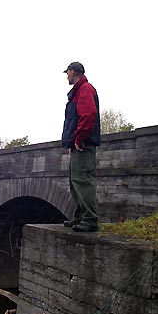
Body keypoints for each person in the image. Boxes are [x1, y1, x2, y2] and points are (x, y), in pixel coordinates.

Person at [61, 61, 100, 232]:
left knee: (83, 180)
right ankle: (80, 216)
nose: (66, 76)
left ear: (72, 72)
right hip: (77, 145)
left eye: (67, 73)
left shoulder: (85, 89)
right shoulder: (78, 92)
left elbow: (88, 114)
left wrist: (79, 138)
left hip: (83, 144)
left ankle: (90, 219)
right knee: (75, 181)